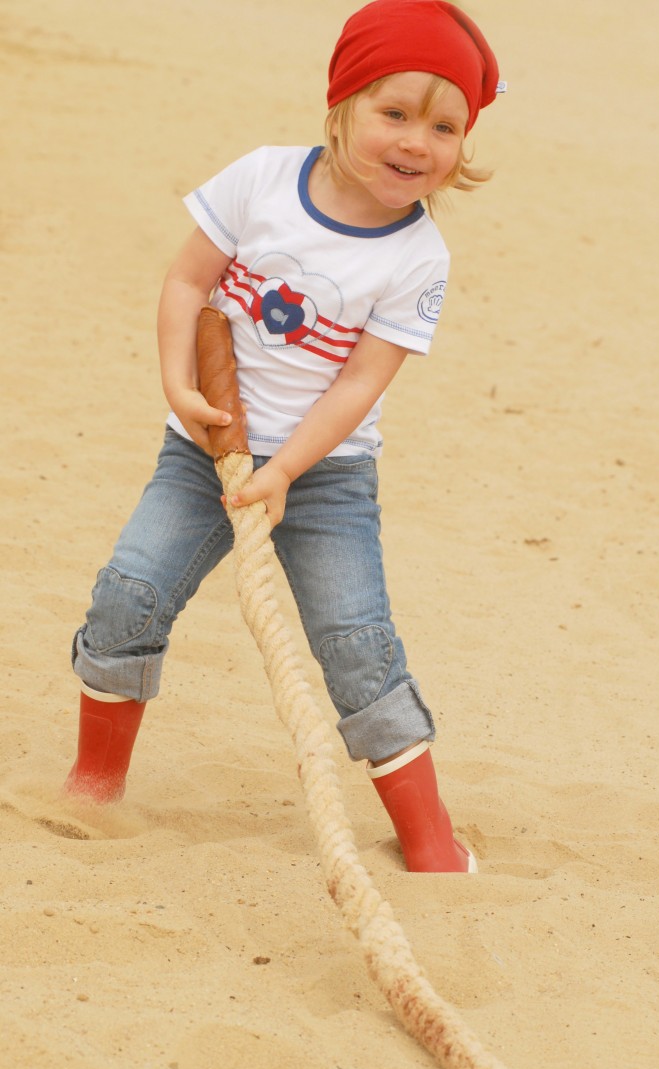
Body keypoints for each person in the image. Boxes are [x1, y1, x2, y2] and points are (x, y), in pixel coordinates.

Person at [65, 0, 501, 873]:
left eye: (445, 125)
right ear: (341, 106)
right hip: (203, 456)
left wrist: (287, 468)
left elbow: (361, 382)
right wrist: (177, 383)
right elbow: (189, 281)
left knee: (354, 642)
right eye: (395, 113)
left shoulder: (417, 258)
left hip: (326, 476)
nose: (418, 141)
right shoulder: (261, 180)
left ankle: (427, 836)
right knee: (129, 594)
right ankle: (92, 783)